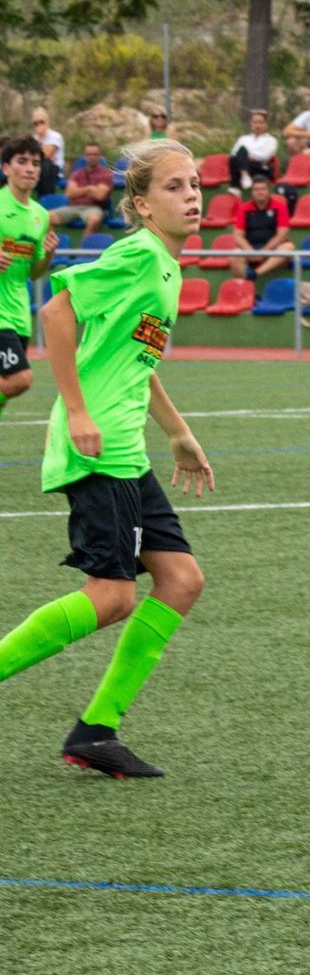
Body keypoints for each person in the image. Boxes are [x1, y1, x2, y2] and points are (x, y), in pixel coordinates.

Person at [0, 138, 215, 779]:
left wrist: (177, 431)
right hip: (98, 448)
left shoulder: (166, 268)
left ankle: (96, 730)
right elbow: (56, 310)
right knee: (113, 596)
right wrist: (80, 410)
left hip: (127, 450)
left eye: (196, 183)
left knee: (180, 582)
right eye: (175, 187)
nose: (192, 196)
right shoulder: (138, 257)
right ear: (143, 206)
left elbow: (133, 361)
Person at [0, 136, 59, 411]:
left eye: (35, 163)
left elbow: (35, 274)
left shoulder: (40, 215)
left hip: (19, 315)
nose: (30, 168)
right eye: (22, 162)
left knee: (5, 388)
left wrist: (47, 255)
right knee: (20, 379)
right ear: (6, 168)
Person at [230, 178, 292, 280]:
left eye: (263, 189)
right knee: (233, 255)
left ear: (269, 191)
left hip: (273, 249)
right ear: (252, 192)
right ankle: (245, 288)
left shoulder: (280, 207)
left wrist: (264, 251)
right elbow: (237, 235)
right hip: (251, 248)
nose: (260, 192)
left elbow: (283, 233)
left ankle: (255, 274)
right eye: (256, 189)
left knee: (289, 247)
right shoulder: (244, 208)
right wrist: (250, 251)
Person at [54, 143, 114, 233]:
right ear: (85, 156)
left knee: (94, 219)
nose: (92, 157)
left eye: (95, 154)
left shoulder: (106, 174)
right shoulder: (77, 173)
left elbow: (100, 196)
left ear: (99, 156)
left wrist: (78, 191)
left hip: (95, 208)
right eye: (89, 154)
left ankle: (83, 246)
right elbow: (69, 194)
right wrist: (89, 189)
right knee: (47, 217)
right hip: (73, 207)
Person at [230, 109, 280, 190]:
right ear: (251, 124)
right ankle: (244, 175)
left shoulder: (271, 140)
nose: (257, 125)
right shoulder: (243, 139)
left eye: (260, 122)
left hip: (260, 167)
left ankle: (238, 182)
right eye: (255, 122)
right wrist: (247, 156)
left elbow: (264, 156)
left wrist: (246, 156)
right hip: (245, 166)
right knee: (237, 155)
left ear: (266, 124)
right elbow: (234, 154)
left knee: (243, 151)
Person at [31, 109, 65, 196]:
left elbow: (46, 155)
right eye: (36, 123)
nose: (39, 125)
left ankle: (46, 197)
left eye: (41, 122)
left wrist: (41, 139)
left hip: (53, 169)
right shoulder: (33, 138)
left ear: (47, 122)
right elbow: (32, 156)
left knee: (46, 165)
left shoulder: (56, 136)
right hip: (37, 166)